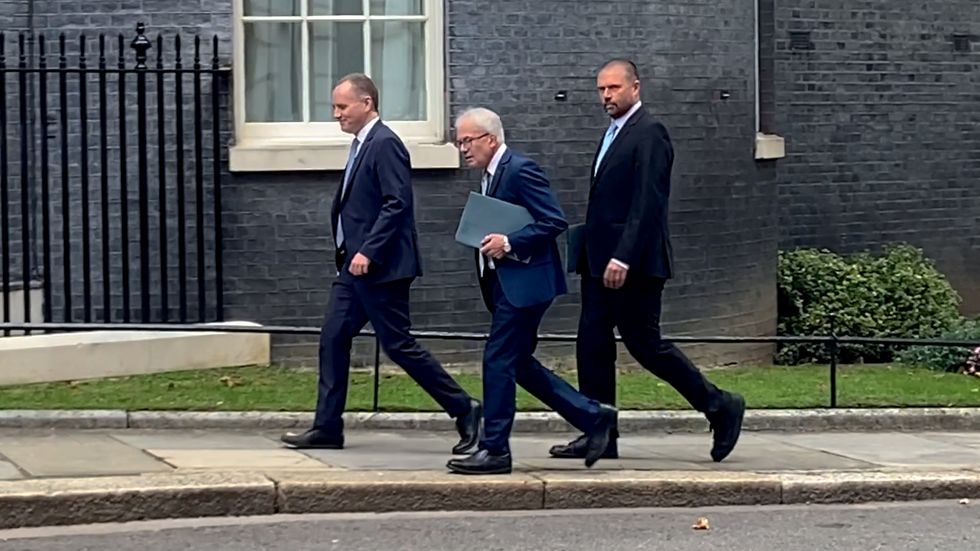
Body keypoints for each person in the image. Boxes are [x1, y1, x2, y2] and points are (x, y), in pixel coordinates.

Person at [549, 59, 746, 463]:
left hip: (631, 265)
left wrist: (623, 256)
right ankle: (599, 430)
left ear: (635, 88)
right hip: (598, 263)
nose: (606, 96)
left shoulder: (650, 132)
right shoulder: (613, 133)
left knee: (646, 345)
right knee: (592, 345)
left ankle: (721, 405)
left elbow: (649, 201)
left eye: (615, 88)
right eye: (602, 89)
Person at [281, 74, 481, 453]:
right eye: (335, 107)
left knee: (399, 345)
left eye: (342, 106)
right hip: (353, 270)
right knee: (333, 336)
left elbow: (397, 203)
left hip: (380, 268)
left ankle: (466, 409)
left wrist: (368, 251)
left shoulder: (385, 143)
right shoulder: (362, 145)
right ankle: (327, 427)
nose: (336, 114)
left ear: (367, 104)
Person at [446, 108, 616, 475]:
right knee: (518, 363)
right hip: (507, 285)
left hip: (526, 285)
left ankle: (495, 450)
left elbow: (552, 219)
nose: (462, 148)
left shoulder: (521, 169)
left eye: (467, 141)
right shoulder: (491, 174)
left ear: (491, 139)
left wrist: (508, 242)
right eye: (459, 142)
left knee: (497, 359)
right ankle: (593, 416)